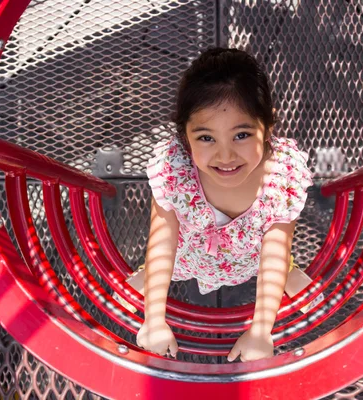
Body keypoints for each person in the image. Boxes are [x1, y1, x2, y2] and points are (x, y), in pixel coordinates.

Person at [133, 48, 313, 362]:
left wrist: (260, 330)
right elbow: (162, 241)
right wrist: (153, 318)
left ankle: (290, 271)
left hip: (251, 255)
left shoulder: (280, 177)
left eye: (241, 134)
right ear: (184, 137)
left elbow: (274, 247)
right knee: (158, 265)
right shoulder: (175, 170)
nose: (225, 156)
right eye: (206, 138)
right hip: (189, 252)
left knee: (279, 259)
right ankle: (146, 277)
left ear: (267, 126)